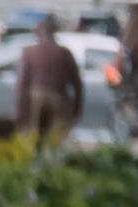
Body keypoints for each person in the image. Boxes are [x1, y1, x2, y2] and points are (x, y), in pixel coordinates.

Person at [13, 12, 84, 142]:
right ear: (54, 33)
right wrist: (77, 108)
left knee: (35, 137)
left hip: (37, 98)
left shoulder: (29, 52)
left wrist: (21, 111)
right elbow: (77, 84)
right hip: (59, 97)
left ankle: (38, 158)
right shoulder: (64, 52)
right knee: (57, 138)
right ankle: (52, 159)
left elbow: (22, 84)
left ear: (38, 33)